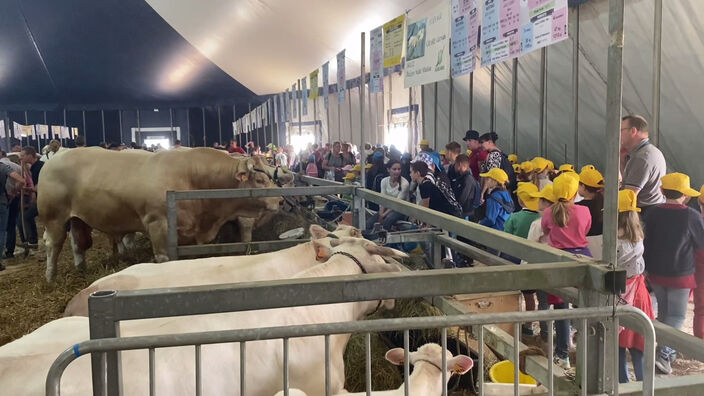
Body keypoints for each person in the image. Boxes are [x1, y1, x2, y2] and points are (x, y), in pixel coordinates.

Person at [643, 172, 704, 374]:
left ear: (661, 190)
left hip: (655, 272)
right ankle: (664, 353)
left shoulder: (651, 213)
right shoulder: (692, 216)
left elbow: (645, 242)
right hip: (682, 275)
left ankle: (665, 353)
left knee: (664, 314)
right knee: (677, 316)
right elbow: (700, 248)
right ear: (685, 196)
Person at [541, 174, 592, 369]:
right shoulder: (584, 211)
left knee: (561, 308)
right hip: (583, 259)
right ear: (575, 191)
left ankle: (562, 354)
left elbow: (546, 231)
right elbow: (585, 230)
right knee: (585, 306)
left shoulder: (549, 212)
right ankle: (586, 350)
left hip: (559, 261)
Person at [616, 190, 654, 383]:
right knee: (638, 343)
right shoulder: (638, 237)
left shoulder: (615, 243)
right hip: (639, 294)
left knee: (618, 343)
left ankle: (623, 384)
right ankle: (644, 384)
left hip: (620, 294)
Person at [504, 182, 542, 335]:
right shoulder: (541, 217)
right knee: (531, 296)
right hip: (535, 260)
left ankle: (509, 324)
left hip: (514, 258)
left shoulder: (514, 217)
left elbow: (505, 237)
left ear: (520, 200)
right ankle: (529, 325)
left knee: (511, 292)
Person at [620, 115, 667, 214]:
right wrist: (622, 160)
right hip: (651, 209)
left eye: (621, 130)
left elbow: (628, 196)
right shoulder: (650, 151)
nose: (618, 135)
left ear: (633, 131)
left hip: (643, 213)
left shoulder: (641, 157)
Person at [365, 160, 409, 231]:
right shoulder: (384, 181)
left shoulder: (405, 184)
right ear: (388, 170)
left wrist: (383, 215)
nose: (397, 171)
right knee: (368, 224)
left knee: (387, 221)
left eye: (399, 169)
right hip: (386, 208)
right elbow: (383, 199)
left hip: (400, 210)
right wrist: (381, 213)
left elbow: (396, 203)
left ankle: (384, 239)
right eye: (394, 169)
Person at [0, 156, 25, 270]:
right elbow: (21, 180)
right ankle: (5, 255)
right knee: (4, 231)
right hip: (3, 201)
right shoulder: (3, 167)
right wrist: (15, 191)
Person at [577, 165, 605, 259]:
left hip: (585, 249)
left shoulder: (578, 208)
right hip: (604, 247)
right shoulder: (607, 204)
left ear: (583, 187)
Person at [479, 132, 517, 198]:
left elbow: (490, 176)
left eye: (482, 142)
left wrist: (482, 193)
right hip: (503, 190)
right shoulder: (500, 153)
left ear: (490, 142)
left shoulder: (494, 155)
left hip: (495, 191)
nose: (480, 145)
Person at [448, 154, 479, 221]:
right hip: (462, 212)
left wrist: (455, 207)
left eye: (455, 164)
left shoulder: (468, 179)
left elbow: (463, 197)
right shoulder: (461, 177)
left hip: (465, 213)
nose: (454, 167)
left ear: (460, 164)